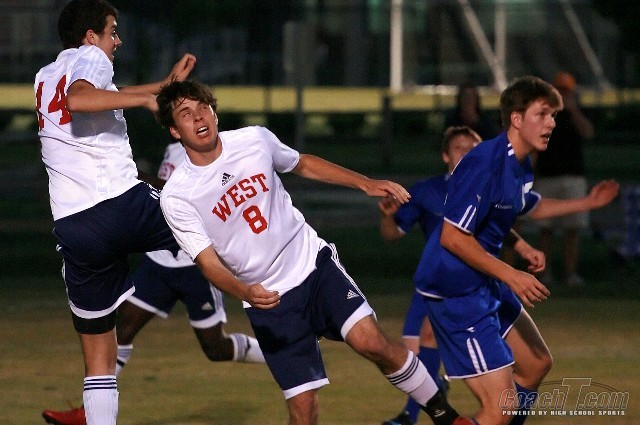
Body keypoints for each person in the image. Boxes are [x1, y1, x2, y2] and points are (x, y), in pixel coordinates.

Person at [156, 79, 474, 425]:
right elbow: (207, 263)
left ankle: (446, 416)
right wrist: (244, 291)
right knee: (304, 410)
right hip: (269, 298)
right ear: (174, 130)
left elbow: (302, 163)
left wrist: (364, 183)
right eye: (185, 113)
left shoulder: (254, 140)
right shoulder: (177, 195)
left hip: (311, 264)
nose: (198, 117)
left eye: (203, 107)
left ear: (215, 113)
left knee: (372, 343)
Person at [414, 76, 619, 425]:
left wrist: (586, 202)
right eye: (543, 114)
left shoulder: (520, 164)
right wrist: (512, 275)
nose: (551, 123)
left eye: (554, 115)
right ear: (516, 118)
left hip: (484, 280)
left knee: (536, 364)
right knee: (500, 409)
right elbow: (452, 237)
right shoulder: (484, 163)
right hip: (455, 290)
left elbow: (528, 206)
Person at [34, 1, 195, 424]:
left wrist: (165, 85)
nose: (117, 41)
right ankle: (293, 290)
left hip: (75, 226)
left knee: (99, 360)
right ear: (91, 37)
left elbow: (92, 93)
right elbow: (79, 98)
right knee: (213, 215)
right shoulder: (91, 58)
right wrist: (146, 100)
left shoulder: (46, 74)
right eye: (112, 31)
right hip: (119, 203)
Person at [42, 140, 265, 425]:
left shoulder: (207, 149)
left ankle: (280, 353)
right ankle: (90, 413)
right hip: (159, 264)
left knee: (216, 348)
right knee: (122, 329)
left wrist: (132, 180)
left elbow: (183, 196)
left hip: (195, 265)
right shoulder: (173, 147)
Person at [378, 127, 547, 425]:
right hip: (446, 285)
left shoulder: (494, 175)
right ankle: (410, 414)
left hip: (483, 280)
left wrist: (522, 247)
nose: (468, 151)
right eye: (459, 147)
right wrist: (387, 216)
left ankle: (417, 412)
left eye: (474, 146)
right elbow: (410, 235)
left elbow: (506, 218)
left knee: (536, 365)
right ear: (445, 155)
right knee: (420, 347)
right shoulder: (428, 190)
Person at [533, 71, 596, 287]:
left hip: (573, 177)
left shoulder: (578, 112)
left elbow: (588, 133)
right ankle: (545, 273)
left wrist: (573, 110)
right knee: (545, 229)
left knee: (572, 228)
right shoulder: (544, 115)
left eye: (566, 91)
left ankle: (570, 274)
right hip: (547, 177)